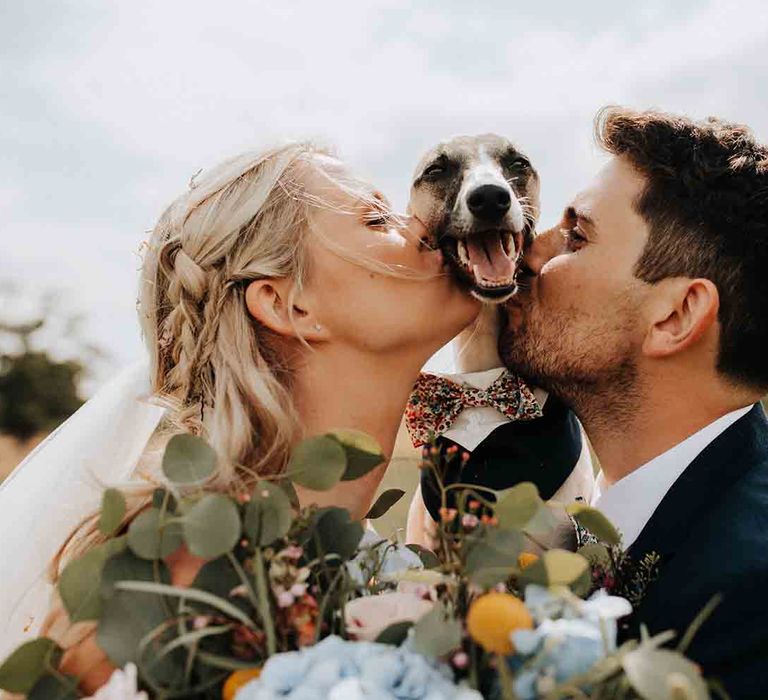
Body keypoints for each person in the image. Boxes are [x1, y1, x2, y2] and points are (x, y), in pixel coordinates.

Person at [1, 142, 482, 693]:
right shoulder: (163, 585)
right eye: (377, 218)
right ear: (289, 306)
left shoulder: (385, 573)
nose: (425, 224)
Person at [500, 107, 768, 699]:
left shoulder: (749, 601)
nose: (529, 253)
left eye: (576, 235)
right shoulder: (574, 518)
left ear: (675, 316)